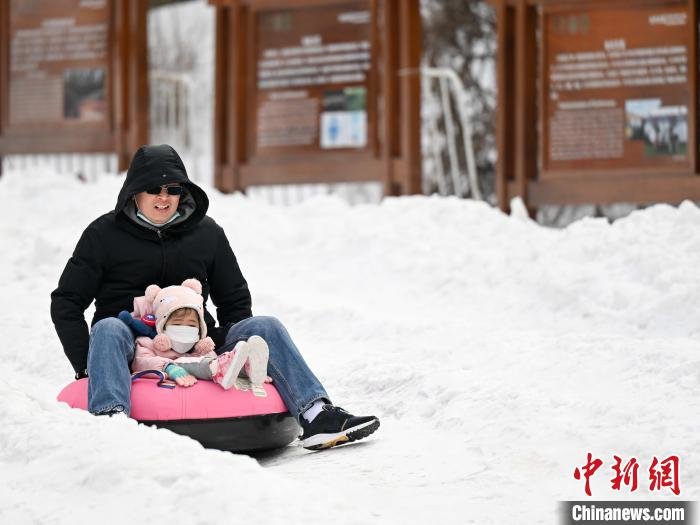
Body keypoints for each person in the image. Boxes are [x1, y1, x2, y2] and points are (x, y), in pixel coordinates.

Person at [50, 144, 379, 450]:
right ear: (135, 191)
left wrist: (241, 354)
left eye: (173, 190)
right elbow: (66, 301)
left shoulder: (206, 233)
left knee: (265, 325)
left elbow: (233, 298)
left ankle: (316, 414)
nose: (163, 198)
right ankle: (111, 425)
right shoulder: (103, 234)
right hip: (132, 340)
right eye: (154, 189)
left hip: (197, 340)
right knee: (107, 327)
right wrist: (87, 364)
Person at [126, 278, 270, 395]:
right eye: (176, 323)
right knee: (202, 363)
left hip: (206, 370)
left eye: (191, 325)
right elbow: (141, 362)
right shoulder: (147, 343)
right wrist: (168, 367)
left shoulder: (200, 347)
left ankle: (246, 369)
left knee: (214, 360)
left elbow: (211, 358)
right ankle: (219, 368)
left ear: (200, 327)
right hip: (169, 372)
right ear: (162, 325)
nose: (184, 328)